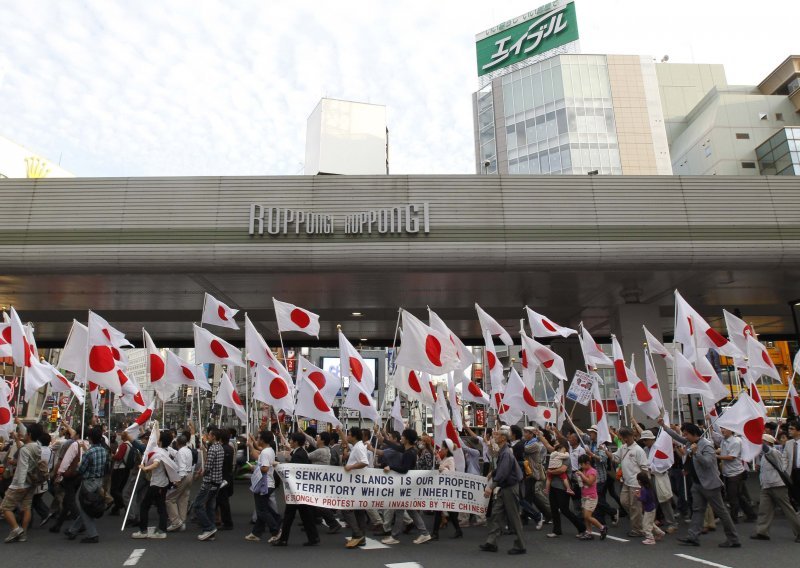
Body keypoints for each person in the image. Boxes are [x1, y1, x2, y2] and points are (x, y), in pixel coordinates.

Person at [659, 419, 741, 548]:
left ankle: (733, 538)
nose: (684, 437)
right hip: (697, 484)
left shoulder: (706, 445)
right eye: (684, 434)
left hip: (710, 484)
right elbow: (676, 437)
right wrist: (663, 426)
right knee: (697, 510)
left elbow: (708, 463)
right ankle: (693, 536)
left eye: (686, 434)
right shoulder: (690, 442)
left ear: (693, 433)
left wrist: (696, 452)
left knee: (721, 512)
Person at [380, 428, 432, 545]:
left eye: (403, 436)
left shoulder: (410, 453)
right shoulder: (408, 449)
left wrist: (391, 467)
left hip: (407, 486)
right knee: (410, 511)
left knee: (400, 510)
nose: (401, 438)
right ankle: (424, 533)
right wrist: (384, 439)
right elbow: (397, 447)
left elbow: (404, 469)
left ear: (407, 439)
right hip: (408, 486)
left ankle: (395, 536)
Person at [479, 426, 525, 555]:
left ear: (504, 438)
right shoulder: (503, 451)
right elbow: (501, 468)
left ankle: (520, 545)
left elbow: (504, 472)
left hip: (509, 487)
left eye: (497, 435)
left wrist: (491, 487)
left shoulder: (506, 453)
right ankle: (491, 542)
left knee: (514, 517)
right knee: (496, 514)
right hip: (505, 487)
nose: (495, 436)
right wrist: (493, 472)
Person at [271, 432, 320, 547]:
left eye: (292, 440)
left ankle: (284, 539)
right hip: (299, 490)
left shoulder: (299, 455)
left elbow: (293, 470)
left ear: (297, 442)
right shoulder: (300, 452)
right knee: (305, 515)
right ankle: (313, 537)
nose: (290, 442)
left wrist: (278, 464)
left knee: (289, 516)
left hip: (296, 490)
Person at [751, 434, 800, 542]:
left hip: (778, 485)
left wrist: (756, 437)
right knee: (764, 509)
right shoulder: (764, 456)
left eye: (763, 441)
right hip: (766, 485)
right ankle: (762, 531)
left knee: (788, 510)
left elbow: (766, 449)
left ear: (767, 442)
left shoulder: (774, 452)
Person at [66, 426, 108, 544]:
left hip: (88, 481)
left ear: (90, 438)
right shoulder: (103, 451)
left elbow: (81, 469)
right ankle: (73, 529)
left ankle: (92, 534)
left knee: (82, 506)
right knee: (87, 505)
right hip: (99, 481)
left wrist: (78, 465)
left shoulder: (89, 453)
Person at [2, 422, 43, 543]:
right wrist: (16, 435)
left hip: (20, 482)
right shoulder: (37, 446)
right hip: (31, 482)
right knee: (27, 507)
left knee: (5, 507)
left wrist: (19, 484)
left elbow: (23, 466)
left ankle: (16, 529)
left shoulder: (25, 449)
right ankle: (23, 534)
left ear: (29, 434)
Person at [605, 426, 649, 537]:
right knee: (624, 502)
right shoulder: (623, 448)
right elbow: (616, 458)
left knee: (635, 506)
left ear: (630, 436)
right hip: (626, 481)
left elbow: (644, 468)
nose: (623, 439)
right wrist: (606, 452)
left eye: (625, 437)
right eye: (622, 437)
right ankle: (640, 521)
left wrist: (644, 483)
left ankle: (638, 529)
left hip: (636, 483)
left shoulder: (638, 450)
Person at [132, 431, 173, 539]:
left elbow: (156, 463)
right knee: (161, 507)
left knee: (144, 506)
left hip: (157, 484)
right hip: (162, 483)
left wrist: (145, 468)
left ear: (160, 441)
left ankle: (143, 530)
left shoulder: (159, 453)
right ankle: (162, 530)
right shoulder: (166, 451)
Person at [245, 430, 282, 543]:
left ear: (263, 440)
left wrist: (255, 467)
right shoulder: (269, 450)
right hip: (267, 483)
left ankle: (275, 531)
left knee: (262, 510)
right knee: (264, 508)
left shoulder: (265, 452)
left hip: (264, 483)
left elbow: (265, 468)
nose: (258, 440)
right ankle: (256, 533)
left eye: (259, 438)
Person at [717, 427, 757, 524]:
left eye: (725, 429)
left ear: (731, 430)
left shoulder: (736, 441)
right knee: (738, 495)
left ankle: (733, 518)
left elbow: (731, 457)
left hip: (736, 473)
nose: (722, 431)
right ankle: (751, 514)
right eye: (722, 428)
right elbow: (722, 450)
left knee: (732, 496)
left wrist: (716, 456)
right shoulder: (724, 440)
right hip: (727, 472)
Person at [193, 427, 223, 542]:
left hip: (209, 482)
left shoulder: (213, 449)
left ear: (214, 436)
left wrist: (200, 473)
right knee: (210, 505)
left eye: (209, 435)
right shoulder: (220, 448)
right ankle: (212, 529)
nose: (208, 437)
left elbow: (208, 467)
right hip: (217, 481)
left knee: (198, 505)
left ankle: (208, 527)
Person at [341, 426, 370, 548]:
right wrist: (340, 432)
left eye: (348, 434)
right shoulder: (357, 446)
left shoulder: (359, 448)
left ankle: (357, 535)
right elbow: (347, 443)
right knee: (358, 511)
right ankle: (360, 537)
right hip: (356, 484)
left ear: (353, 436)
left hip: (356, 484)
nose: (347, 436)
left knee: (346, 508)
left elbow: (364, 462)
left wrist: (350, 467)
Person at [431, 439, 461, 541]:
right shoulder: (447, 458)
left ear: (447, 449)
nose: (441, 450)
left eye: (442, 448)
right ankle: (458, 530)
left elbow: (451, 473)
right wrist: (438, 458)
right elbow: (442, 465)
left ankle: (435, 534)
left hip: (447, 489)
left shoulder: (451, 459)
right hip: (443, 488)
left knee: (439, 511)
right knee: (448, 512)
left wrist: (443, 469)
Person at [575, 454, 607, 540]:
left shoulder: (592, 471)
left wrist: (581, 475)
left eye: (582, 464)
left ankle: (602, 527)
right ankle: (589, 532)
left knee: (587, 516)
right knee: (585, 516)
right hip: (585, 496)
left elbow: (589, 482)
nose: (581, 466)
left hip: (591, 497)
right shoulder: (585, 471)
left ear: (587, 463)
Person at [166, 434, 193, 532]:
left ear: (177, 443)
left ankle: (175, 522)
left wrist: (178, 480)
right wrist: (167, 448)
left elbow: (181, 467)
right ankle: (182, 522)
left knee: (170, 499)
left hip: (183, 476)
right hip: (189, 475)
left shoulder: (181, 452)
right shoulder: (187, 450)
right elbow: (176, 454)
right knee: (183, 499)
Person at [110, 431, 134, 516]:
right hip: (126, 468)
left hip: (119, 468)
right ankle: (116, 508)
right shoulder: (131, 445)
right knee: (119, 489)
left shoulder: (123, 445)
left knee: (114, 490)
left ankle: (122, 504)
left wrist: (113, 456)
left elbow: (119, 457)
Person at [637, 471, 664, 545]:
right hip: (652, 508)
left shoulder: (644, 489)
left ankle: (650, 538)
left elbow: (644, 499)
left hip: (648, 510)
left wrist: (638, 496)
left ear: (640, 481)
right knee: (650, 523)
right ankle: (660, 533)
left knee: (646, 525)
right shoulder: (648, 487)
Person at [215, 429, 234, 531]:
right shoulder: (229, 448)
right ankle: (224, 520)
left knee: (222, 500)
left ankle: (227, 522)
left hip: (223, 478)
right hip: (227, 477)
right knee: (221, 500)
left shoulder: (222, 449)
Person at [782, 420, 800, 507]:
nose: (789, 430)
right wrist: (784, 469)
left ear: (799, 431)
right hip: (792, 472)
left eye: (792, 429)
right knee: (795, 493)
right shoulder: (788, 443)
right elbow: (784, 458)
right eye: (789, 428)